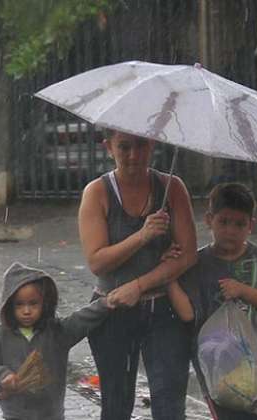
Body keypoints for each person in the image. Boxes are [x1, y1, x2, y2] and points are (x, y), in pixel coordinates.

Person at [78, 130, 198, 420]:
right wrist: (142, 236)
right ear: (109, 147)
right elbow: (97, 261)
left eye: (141, 145)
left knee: (169, 402)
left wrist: (139, 285)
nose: (134, 155)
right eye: (124, 147)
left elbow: (188, 255)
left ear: (153, 143)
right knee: (117, 405)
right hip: (113, 309)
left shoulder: (172, 188)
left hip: (164, 309)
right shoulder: (98, 192)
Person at [180, 183, 257, 420]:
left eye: (240, 224)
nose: (231, 231)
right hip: (214, 368)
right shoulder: (198, 264)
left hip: (252, 367)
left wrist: (244, 291)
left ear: (251, 225)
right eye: (224, 222)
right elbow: (188, 314)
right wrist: (170, 274)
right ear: (209, 220)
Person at [0, 262, 113, 420]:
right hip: (15, 414)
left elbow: (81, 319)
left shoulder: (57, 333)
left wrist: (106, 303)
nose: (27, 311)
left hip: (51, 414)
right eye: (19, 305)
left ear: (45, 304)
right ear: (9, 306)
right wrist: (3, 376)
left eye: (33, 304)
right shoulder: (0, 336)